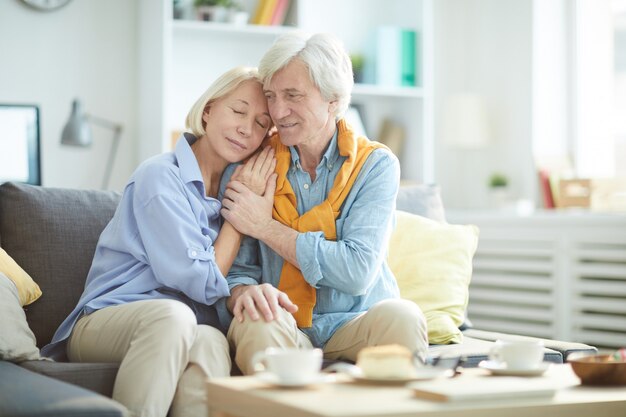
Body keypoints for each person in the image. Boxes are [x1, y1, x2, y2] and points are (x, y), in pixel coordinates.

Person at [42, 66, 275, 417]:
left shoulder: (233, 188)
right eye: (239, 111)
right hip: (107, 321)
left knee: (210, 341)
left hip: (180, 324)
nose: (247, 128)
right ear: (208, 110)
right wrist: (240, 218)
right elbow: (202, 282)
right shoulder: (161, 176)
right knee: (174, 317)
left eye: (261, 123)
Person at [217, 32, 429, 375]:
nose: (278, 111)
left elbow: (357, 271)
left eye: (293, 95)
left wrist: (265, 227)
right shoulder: (251, 168)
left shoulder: (375, 165)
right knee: (254, 322)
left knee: (403, 317)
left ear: (333, 99)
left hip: (357, 319)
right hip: (283, 321)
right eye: (271, 96)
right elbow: (236, 271)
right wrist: (243, 292)